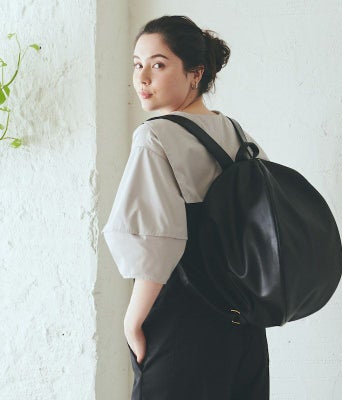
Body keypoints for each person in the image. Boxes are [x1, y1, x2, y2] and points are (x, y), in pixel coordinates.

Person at [102, 15, 270, 400]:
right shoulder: (239, 136)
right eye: (137, 65)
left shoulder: (155, 136)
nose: (143, 78)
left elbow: (158, 242)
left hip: (182, 328)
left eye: (158, 65)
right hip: (246, 330)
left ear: (195, 74)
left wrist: (132, 322)